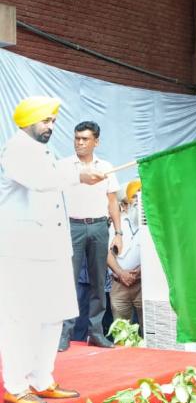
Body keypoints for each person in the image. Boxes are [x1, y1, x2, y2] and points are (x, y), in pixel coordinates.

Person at [0, 96, 105, 403]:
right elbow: (40, 181)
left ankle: (42, 379)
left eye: (53, 121)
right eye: (45, 120)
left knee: (52, 316)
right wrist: (79, 175)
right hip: (23, 250)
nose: (51, 126)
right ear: (27, 120)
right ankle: (16, 385)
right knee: (22, 319)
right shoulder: (16, 148)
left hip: (51, 249)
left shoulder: (44, 151)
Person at [58, 121, 121, 351]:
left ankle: (96, 333)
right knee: (68, 283)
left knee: (97, 282)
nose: (80, 143)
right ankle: (65, 333)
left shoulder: (106, 167)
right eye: (77, 138)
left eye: (85, 139)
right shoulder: (65, 166)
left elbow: (113, 202)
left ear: (96, 141)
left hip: (98, 227)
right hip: (73, 227)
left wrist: (119, 233)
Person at [107, 179, 143, 329]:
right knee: (121, 331)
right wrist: (122, 274)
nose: (138, 201)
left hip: (142, 284)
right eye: (134, 198)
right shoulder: (116, 226)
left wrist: (140, 272)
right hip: (119, 285)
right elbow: (106, 254)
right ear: (124, 204)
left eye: (140, 196)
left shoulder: (149, 224)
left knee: (149, 331)